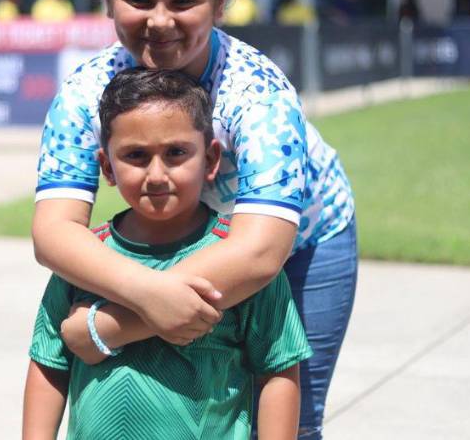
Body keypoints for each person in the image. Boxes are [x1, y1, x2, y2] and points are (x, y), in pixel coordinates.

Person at [32, 0, 358, 439]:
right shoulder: (83, 95)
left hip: (303, 249)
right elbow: (52, 233)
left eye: (183, 0)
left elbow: (259, 253)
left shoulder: (259, 97)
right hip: (193, 249)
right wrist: (152, 298)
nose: (160, 21)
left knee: (291, 424)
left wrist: (112, 324)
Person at [24, 68, 312, 439]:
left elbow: (278, 369)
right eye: (136, 156)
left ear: (210, 160)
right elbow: (48, 364)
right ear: (107, 167)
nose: (157, 174)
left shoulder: (238, 262)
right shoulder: (83, 261)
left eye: (176, 153)